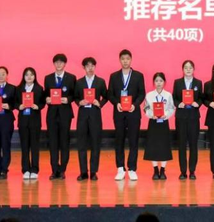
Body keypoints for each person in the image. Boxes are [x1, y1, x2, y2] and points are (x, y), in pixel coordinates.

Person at [108, 49, 146, 181]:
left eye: (127, 59)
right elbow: (110, 94)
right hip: (119, 113)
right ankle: (120, 168)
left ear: (131, 60)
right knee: (119, 140)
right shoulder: (114, 76)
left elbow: (142, 93)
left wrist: (135, 104)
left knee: (133, 141)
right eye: (123, 59)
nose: (125, 61)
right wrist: (116, 103)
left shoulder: (138, 76)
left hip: (133, 113)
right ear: (120, 60)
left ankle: (132, 169)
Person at [73, 57, 108, 181]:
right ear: (84, 68)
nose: (90, 68)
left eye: (92, 65)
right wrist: (79, 102)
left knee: (95, 144)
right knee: (81, 144)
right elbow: (75, 97)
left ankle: (93, 172)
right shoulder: (79, 82)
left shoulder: (100, 82)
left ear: (95, 67)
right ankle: (83, 172)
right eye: (88, 66)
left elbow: (106, 96)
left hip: (95, 115)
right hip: (82, 116)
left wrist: (100, 103)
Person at [43, 53, 76, 180]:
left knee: (64, 142)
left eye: (61, 62)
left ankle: (62, 170)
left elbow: (75, 95)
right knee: (53, 143)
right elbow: (45, 94)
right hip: (52, 114)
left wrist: (67, 99)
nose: (59, 64)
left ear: (65, 64)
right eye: (56, 62)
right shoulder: (48, 78)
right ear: (53, 64)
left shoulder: (71, 78)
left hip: (65, 114)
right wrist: (47, 99)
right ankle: (54, 170)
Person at [172, 60, 203, 180]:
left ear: (194, 69)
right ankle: (183, 171)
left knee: (193, 144)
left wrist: (197, 103)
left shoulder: (198, 83)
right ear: (183, 69)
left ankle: (192, 170)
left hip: (194, 117)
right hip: (181, 117)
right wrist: (178, 104)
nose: (188, 70)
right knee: (181, 145)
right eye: (186, 67)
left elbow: (201, 98)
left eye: (190, 67)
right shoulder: (177, 82)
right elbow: (174, 98)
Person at [143, 72, 175, 180]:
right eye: (156, 81)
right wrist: (151, 115)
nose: (159, 83)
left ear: (164, 82)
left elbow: (172, 108)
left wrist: (166, 115)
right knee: (153, 146)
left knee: (164, 146)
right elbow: (145, 108)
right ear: (154, 82)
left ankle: (163, 170)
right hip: (153, 123)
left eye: (161, 81)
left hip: (164, 123)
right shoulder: (149, 95)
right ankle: (155, 170)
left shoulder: (168, 95)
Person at [15, 67, 45, 179]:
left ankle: (35, 169)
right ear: (23, 76)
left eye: (31, 75)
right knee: (24, 146)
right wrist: (19, 106)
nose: (29, 77)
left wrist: (38, 106)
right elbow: (14, 103)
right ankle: (25, 169)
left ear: (34, 76)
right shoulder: (18, 89)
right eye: (27, 75)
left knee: (35, 146)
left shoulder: (39, 88)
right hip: (23, 121)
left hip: (35, 121)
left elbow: (43, 103)